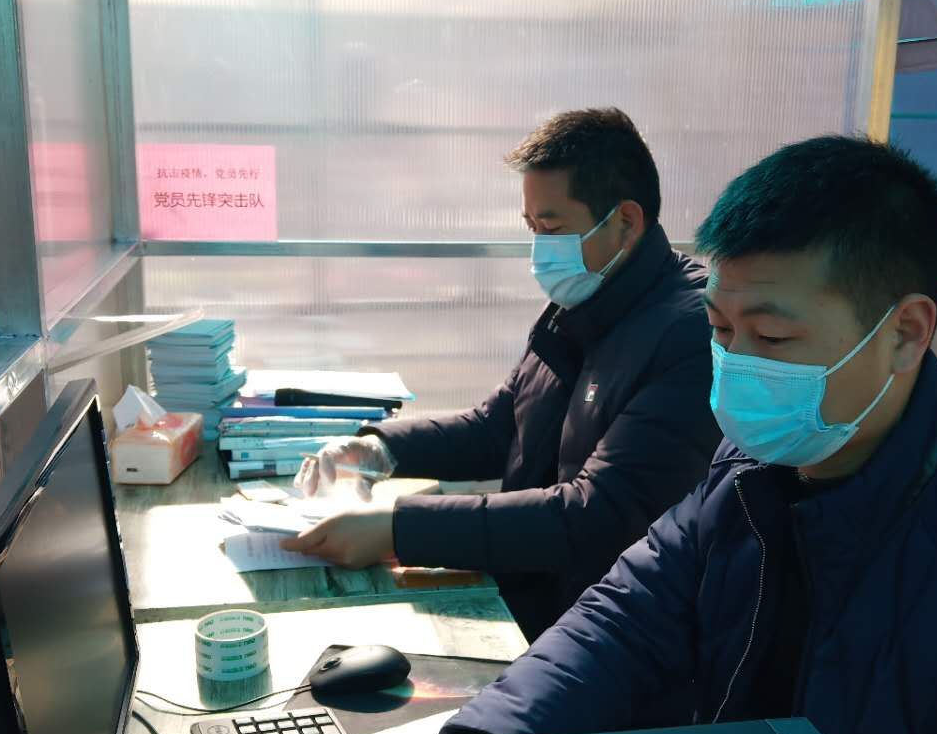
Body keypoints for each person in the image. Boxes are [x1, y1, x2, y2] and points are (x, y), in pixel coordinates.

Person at [436, 135, 937, 734]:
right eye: (721, 331)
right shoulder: (752, 467)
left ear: (905, 332)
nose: (736, 365)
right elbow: (627, 613)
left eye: (773, 338)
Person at [283, 108, 720, 639]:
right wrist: (379, 447)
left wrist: (399, 529)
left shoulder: (689, 334)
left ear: (626, 222)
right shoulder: (581, 302)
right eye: (532, 227)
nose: (539, 250)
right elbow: (498, 426)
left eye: (552, 228)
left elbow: (598, 513)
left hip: (611, 630)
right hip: (532, 596)